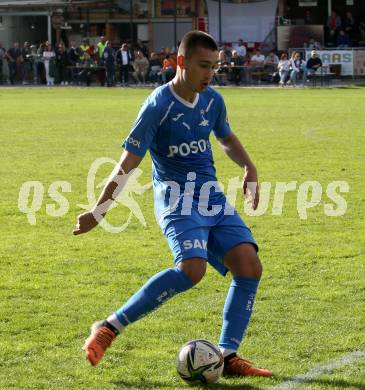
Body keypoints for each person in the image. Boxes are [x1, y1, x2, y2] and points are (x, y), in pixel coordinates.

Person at [74, 30, 273, 378]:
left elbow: (225, 137)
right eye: (203, 66)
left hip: (210, 196)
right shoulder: (158, 106)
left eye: (214, 66)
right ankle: (108, 327)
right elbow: (128, 163)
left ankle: (227, 355)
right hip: (176, 199)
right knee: (191, 270)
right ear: (181, 62)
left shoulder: (212, 100)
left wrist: (248, 165)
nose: (209, 74)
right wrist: (99, 210)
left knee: (249, 264)